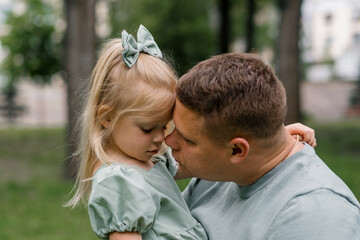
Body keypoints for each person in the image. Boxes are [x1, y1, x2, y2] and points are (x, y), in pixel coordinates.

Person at [165, 52, 360, 239]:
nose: (168, 141)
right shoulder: (217, 174)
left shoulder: (315, 217)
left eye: (187, 139)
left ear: (237, 150)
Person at [65, 25, 208, 240]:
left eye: (164, 126)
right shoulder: (117, 180)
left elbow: (193, 164)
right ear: (107, 118)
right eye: (148, 128)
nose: (161, 137)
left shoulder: (147, 156)